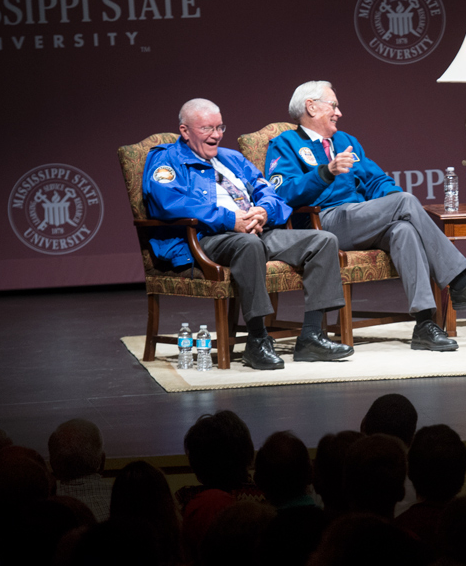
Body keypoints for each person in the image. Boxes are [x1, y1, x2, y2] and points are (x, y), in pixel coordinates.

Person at [264, 81, 466, 352]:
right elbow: (283, 193)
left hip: (358, 219)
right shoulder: (285, 144)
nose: (339, 112)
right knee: (404, 203)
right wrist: (326, 172)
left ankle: (424, 324)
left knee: (403, 230)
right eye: (333, 105)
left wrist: (394, 202)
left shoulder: (346, 142)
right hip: (322, 222)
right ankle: (460, 282)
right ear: (311, 107)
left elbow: (377, 182)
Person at [143, 98, 354, 370]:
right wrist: (231, 220)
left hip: (256, 231)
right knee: (248, 244)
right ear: (185, 131)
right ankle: (257, 340)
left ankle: (311, 337)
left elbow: (269, 192)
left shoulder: (232, 158)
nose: (216, 135)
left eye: (220, 127)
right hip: (205, 239)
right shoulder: (166, 159)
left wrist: (263, 212)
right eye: (207, 128)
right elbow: (169, 203)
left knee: (323, 240)